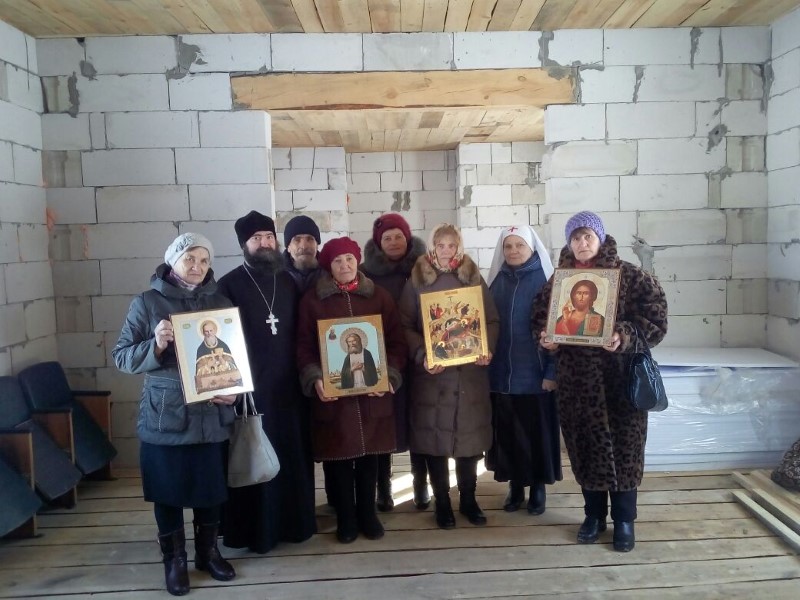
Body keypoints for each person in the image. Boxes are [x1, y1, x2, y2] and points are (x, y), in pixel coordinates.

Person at [531, 211, 668, 552]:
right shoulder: (559, 282)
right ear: (569, 243)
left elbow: (655, 319)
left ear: (600, 238)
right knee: (585, 451)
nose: (582, 243)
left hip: (620, 383)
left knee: (625, 451)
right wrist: (546, 339)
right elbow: (539, 317)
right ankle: (593, 516)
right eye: (575, 238)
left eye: (588, 236)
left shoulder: (630, 276)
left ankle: (624, 520)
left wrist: (624, 335)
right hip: (577, 385)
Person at [112, 233, 237, 596]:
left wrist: (235, 389)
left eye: (203, 260)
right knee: (167, 491)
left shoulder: (220, 302)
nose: (197, 266)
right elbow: (122, 357)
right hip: (166, 414)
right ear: (173, 261)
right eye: (189, 259)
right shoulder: (147, 302)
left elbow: (234, 358)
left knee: (211, 489)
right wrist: (156, 344)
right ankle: (174, 560)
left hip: (212, 414)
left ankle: (208, 553)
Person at [216, 210, 317, 554]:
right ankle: (257, 532)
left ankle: (295, 525)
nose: (264, 243)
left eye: (269, 237)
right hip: (251, 391)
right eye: (256, 238)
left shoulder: (288, 281)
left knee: (291, 454)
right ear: (244, 244)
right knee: (253, 455)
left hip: (289, 389)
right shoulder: (228, 285)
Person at [297, 237, 408, 544]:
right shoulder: (312, 301)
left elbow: (397, 343)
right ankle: (346, 516)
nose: (344, 265)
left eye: (349, 258)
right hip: (335, 396)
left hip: (372, 393)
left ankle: (368, 513)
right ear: (328, 266)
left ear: (357, 260)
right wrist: (315, 377)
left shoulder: (379, 296)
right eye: (337, 261)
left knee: (370, 455)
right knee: (340, 456)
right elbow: (304, 346)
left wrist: (389, 375)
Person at [398, 223, 499, 529]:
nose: (446, 251)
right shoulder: (417, 280)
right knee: (435, 441)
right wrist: (422, 355)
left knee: (469, 441)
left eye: (451, 245)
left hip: (469, 375)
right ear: (432, 247)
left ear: (459, 247)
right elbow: (405, 325)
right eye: (440, 245)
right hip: (433, 376)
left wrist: (486, 348)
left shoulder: (473, 277)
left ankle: (468, 499)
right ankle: (442, 502)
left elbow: (490, 320)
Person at [486, 225, 562, 515]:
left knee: (536, 434)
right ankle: (515, 486)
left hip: (535, 375)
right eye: (508, 246)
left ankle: (537, 488)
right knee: (508, 434)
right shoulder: (496, 281)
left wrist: (552, 372)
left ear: (532, 249)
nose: (513, 251)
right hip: (501, 376)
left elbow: (560, 331)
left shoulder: (547, 281)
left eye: (520, 245)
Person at [360, 213, 430, 512]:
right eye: (386, 238)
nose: (393, 242)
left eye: (398, 236)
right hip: (382, 359)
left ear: (407, 237)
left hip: (421, 357)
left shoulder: (425, 268)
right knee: (382, 423)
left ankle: (421, 485)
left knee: (419, 422)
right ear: (378, 243)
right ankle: (383, 487)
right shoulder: (365, 274)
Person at [283, 215, 323, 294]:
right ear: (288, 247)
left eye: (310, 239)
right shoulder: (275, 275)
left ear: (317, 245)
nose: (304, 246)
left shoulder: (330, 273)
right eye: (297, 240)